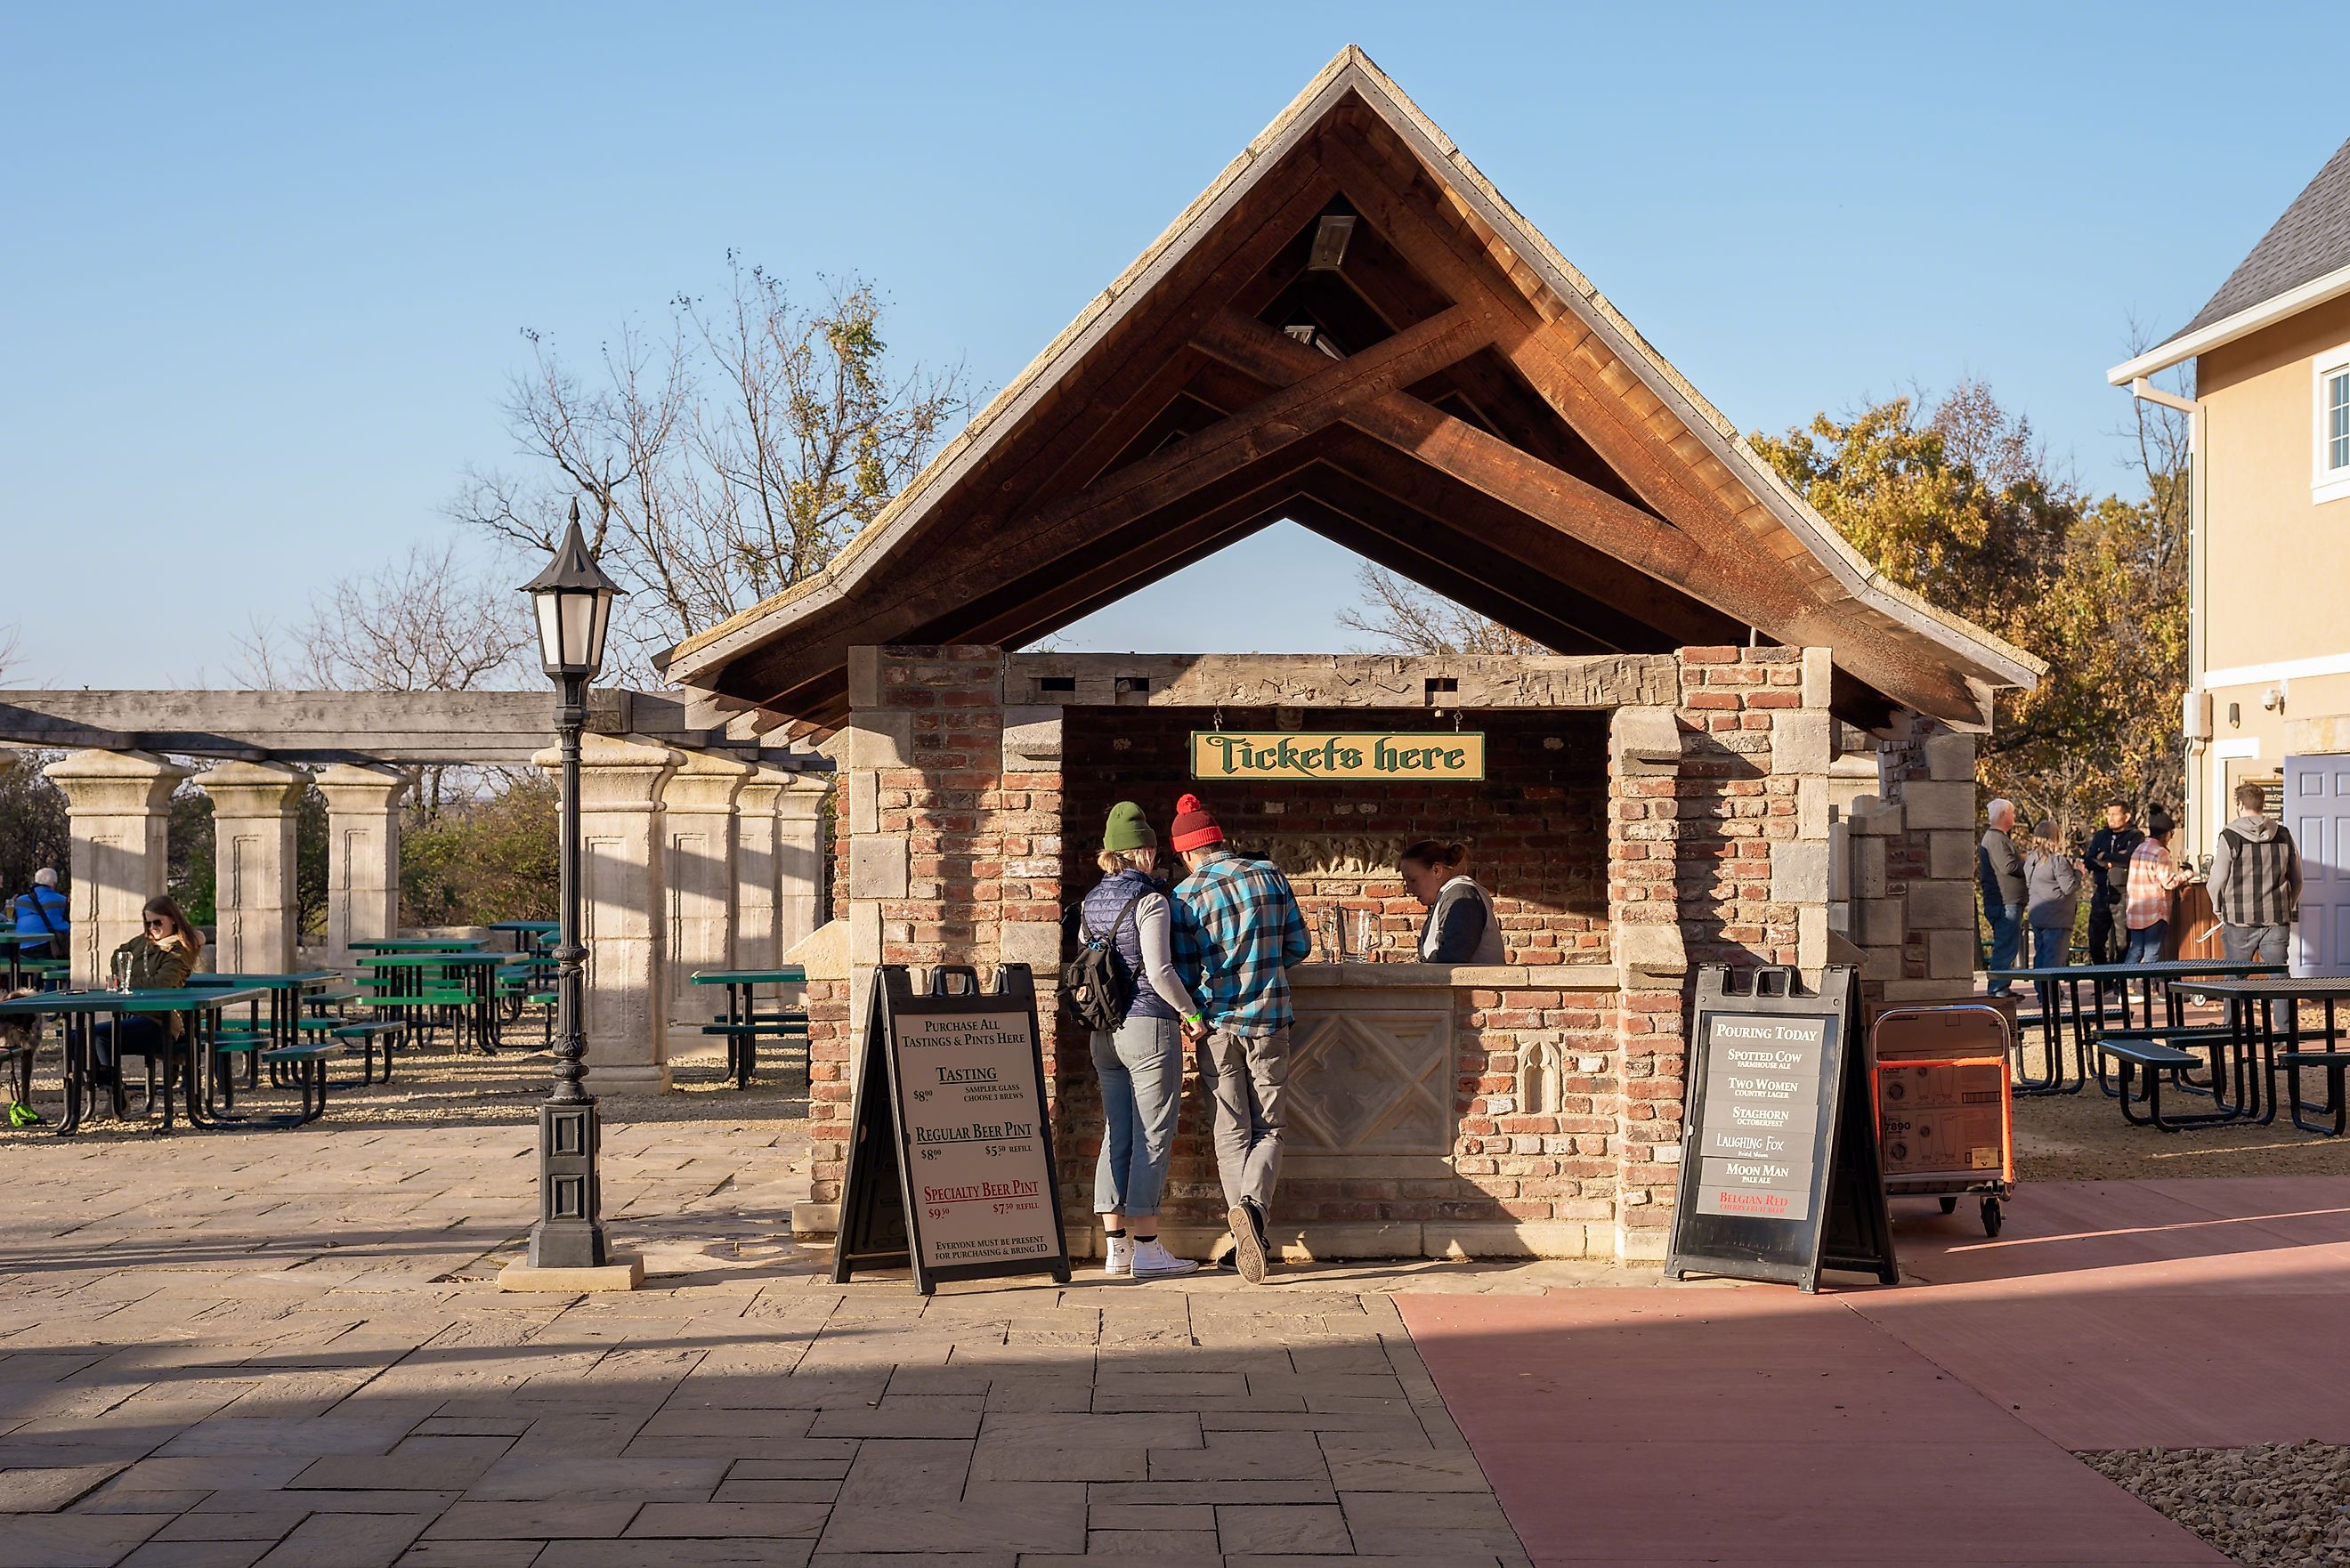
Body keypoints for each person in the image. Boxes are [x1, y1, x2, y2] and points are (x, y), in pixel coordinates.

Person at [1167, 792, 1309, 1285]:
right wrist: (1265, 972)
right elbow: (1300, 945)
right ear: (1221, 840)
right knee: (1271, 1126)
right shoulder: (1270, 875)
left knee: (1231, 1130)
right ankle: (1254, 1213)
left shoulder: (1183, 898)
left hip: (1215, 1024)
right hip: (1271, 1018)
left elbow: (1182, 972)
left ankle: (1242, 1227)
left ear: (1187, 852)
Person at [1075, 803, 1203, 1281]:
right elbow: (1160, 971)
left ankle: (1116, 1249)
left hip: (1102, 1032)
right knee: (1153, 1134)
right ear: (1145, 851)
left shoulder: (1089, 902)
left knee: (1117, 1132)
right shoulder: (1150, 901)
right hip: (1147, 1026)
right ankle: (1147, 1246)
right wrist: (1192, 1014)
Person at [91, 896, 207, 1086]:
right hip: (134, 1014)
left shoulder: (179, 949)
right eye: (148, 923)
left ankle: (114, 1091)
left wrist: (125, 981)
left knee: (97, 1037)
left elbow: (161, 984)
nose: (152, 927)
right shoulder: (142, 941)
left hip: (161, 1020)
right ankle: (104, 1086)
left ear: (173, 919)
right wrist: (124, 977)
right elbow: (118, 954)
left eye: (157, 922)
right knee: (76, 1038)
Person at [2207, 781, 2301, 966]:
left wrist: (2218, 908)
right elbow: (2297, 879)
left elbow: (2218, 879)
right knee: (2279, 977)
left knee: (2235, 979)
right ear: (2262, 804)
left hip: (2239, 918)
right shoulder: (2283, 834)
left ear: (2240, 804)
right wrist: (2288, 906)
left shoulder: (2230, 836)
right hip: (2276, 917)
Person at [1398, 840, 1505, 964]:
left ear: (1436, 870)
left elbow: (1452, 960)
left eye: (1412, 880)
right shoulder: (1448, 897)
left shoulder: (1460, 897)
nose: (1409, 889)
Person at [2022, 819, 2081, 1015]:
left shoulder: (2031, 860)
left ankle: (2043, 995)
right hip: (2058, 916)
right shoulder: (2057, 861)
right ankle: (2053, 997)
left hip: (2038, 914)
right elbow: (2069, 887)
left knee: (2041, 957)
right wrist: (2078, 872)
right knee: (2054, 958)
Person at [2122, 808, 2192, 966]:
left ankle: (2125, 984)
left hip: (2135, 909)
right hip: (2154, 911)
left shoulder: (2139, 849)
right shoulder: (2160, 853)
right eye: (2171, 834)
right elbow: (2168, 882)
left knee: (2136, 950)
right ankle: (2151, 988)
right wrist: (2187, 874)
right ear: (2166, 834)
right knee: (2152, 952)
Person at [2083, 802, 2143, 969]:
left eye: (2114, 814)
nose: (2110, 818)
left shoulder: (2135, 836)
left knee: (2123, 943)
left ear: (2126, 817)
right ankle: (2104, 977)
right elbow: (2089, 861)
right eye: (2108, 814)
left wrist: (2105, 856)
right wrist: (2110, 863)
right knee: (2095, 941)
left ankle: (2119, 979)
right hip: (2101, 893)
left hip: (2123, 894)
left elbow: (2129, 859)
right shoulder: (2101, 836)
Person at [1978, 799, 2026, 996]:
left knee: (2007, 946)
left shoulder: (1997, 838)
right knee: (2005, 946)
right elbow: (2008, 866)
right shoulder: (1996, 839)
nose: (2015, 817)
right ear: (2004, 815)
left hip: (2007, 901)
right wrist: (2027, 862)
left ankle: (2001, 987)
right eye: (2013, 813)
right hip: (2005, 902)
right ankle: (1998, 988)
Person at [10, 868, 68, 958]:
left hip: (20, 947)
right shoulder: (61, 900)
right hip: (44, 948)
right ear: (54, 884)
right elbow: (59, 925)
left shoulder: (20, 900)